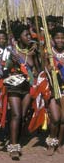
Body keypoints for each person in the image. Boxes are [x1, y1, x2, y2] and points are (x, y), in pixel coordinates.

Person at [5, 24, 41, 160]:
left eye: (29, 35)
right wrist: (11, 62)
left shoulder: (32, 51)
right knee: (16, 115)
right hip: (14, 87)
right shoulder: (12, 51)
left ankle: (15, 138)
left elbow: (39, 69)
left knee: (22, 116)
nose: (29, 37)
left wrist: (38, 54)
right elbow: (4, 69)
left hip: (27, 88)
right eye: (26, 35)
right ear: (18, 37)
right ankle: (13, 147)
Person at [45, 26, 64, 155]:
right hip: (52, 89)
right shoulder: (48, 52)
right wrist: (49, 66)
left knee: (63, 120)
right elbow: (42, 68)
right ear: (52, 39)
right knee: (56, 118)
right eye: (57, 37)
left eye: (63, 38)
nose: (60, 40)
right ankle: (51, 142)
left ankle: (59, 143)